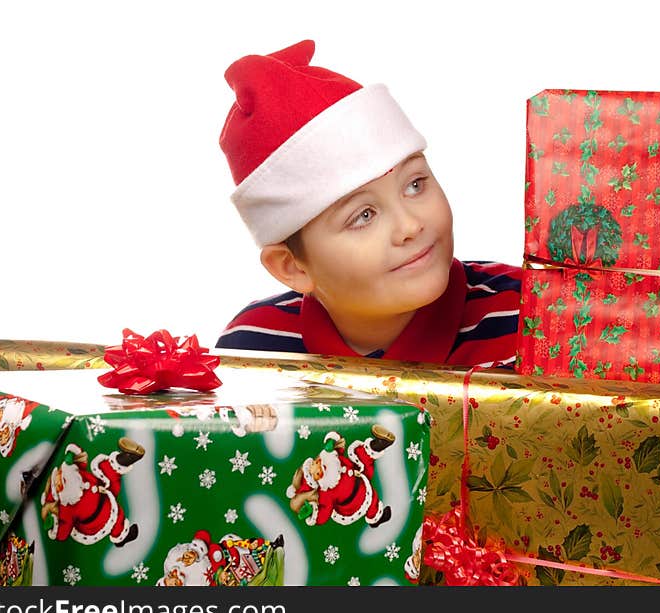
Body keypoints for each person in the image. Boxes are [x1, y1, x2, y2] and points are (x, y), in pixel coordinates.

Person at [215, 39, 521, 368]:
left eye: (415, 184)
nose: (409, 225)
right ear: (293, 267)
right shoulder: (252, 350)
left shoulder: (530, 320)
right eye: (363, 215)